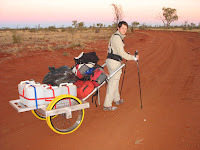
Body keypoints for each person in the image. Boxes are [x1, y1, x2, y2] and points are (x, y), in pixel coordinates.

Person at [103, 21, 139, 111]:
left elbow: (118, 51)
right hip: (114, 62)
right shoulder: (117, 38)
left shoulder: (116, 36)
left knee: (115, 81)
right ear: (118, 28)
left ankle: (117, 99)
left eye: (126, 29)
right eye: (123, 28)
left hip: (112, 61)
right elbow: (122, 53)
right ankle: (107, 104)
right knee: (113, 82)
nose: (124, 30)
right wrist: (134, 57)